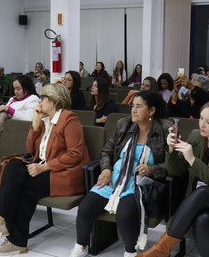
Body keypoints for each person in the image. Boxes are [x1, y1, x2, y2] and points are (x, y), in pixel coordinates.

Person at [0, 83, 90, 256]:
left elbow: (74, 154)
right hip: (45, 168)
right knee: (14, 166)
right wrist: (35, 122)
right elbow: (31, 149)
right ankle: (6, 231)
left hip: (64, 173)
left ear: (56, 101)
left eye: (44, 98)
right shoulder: (45, 119)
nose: (40, 102)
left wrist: (44, 167)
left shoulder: (69, 118)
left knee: (20, 186)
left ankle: (9, 234)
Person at [137, 98, 209, 257]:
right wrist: (170, 150)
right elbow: (175, 171)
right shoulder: (196, 136)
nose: (202, 125)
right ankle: (161, 251)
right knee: (203, 220)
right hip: (203, 204)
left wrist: (193, 160)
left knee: (203, 192)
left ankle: (160, 250)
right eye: (201, 118)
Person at [70, 91, 172, 257]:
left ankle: (130, 252)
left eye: (139, 106)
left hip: (139, 184)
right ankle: (81, 246)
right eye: (133, 106)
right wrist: (106, 169)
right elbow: (106, 151)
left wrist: (153, 169)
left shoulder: (164, 130)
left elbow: (175, 165)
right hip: (115, 179)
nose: (133, 110)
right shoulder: (124, 124)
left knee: (125, 213)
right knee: (85, 207)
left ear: (152, 110)